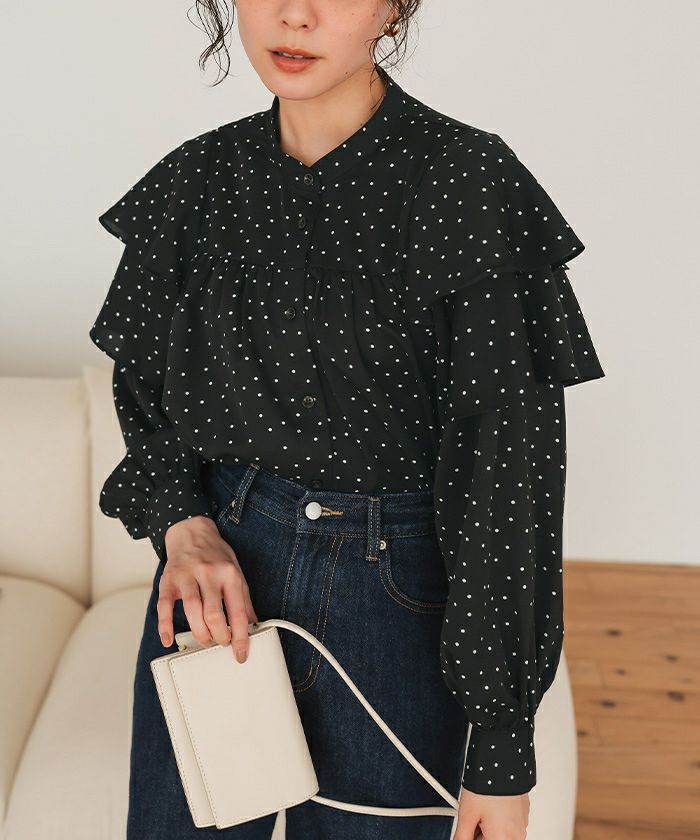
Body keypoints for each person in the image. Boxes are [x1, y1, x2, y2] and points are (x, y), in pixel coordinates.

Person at [88, 2, 605, 839]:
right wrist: (184, 527)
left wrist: (502, 751)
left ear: (393, 8)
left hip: (396, 605)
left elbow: (507, 481)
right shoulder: (198, 182)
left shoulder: (468, 183)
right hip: (220, 585)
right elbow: (144, 390)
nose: (295, 15)